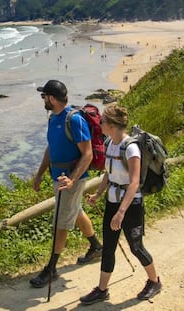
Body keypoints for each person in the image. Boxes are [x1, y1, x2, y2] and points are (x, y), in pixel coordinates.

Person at [80, 104, 161, 305]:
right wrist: (98, 194)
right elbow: (108, 173)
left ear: (113, 125)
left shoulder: (131, 148)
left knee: (136, 247)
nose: (100, 123)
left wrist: (121, 213)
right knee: (108, 247)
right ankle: (102, 290)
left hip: (130, 205)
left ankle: (154, 281)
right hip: (112, 202)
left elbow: (134, 183)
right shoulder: (109, 143)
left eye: (103, 121)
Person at [30, 80, 103, 288]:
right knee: (75, 211)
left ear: (52, 98)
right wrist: (39, 174)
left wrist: (72, 180)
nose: (43, 99)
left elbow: (87, 154)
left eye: (44, 96)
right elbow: (51, 148)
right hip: (59, 178)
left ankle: (51, 268)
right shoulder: (53, 118)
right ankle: (96, 247)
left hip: (71, 180)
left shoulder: (75, 120)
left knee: (61, 223)